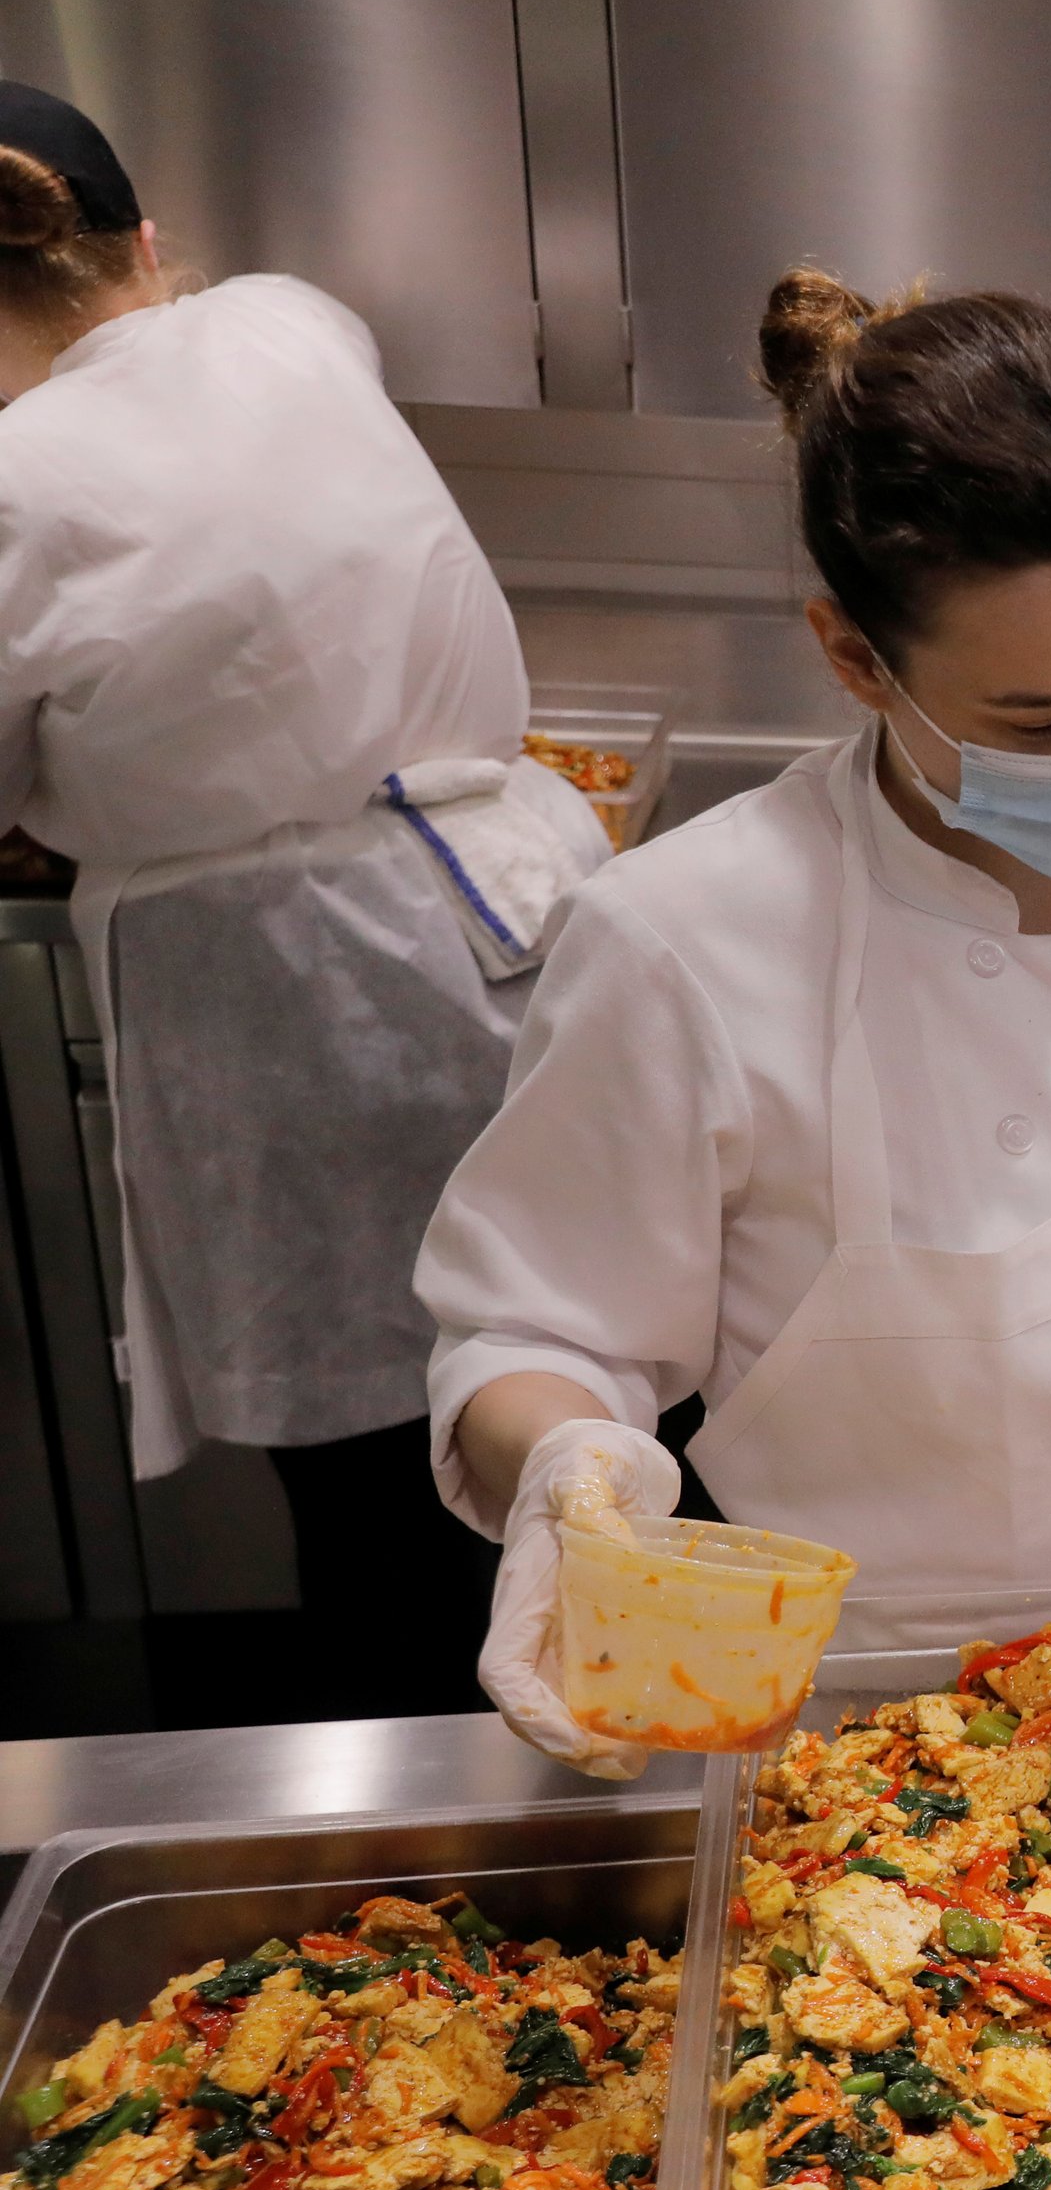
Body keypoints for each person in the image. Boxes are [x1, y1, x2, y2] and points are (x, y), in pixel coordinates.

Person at [419, 274, 1051, 1774]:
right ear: (855, 659)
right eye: (1046, 723)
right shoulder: (683, 942)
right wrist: (573, 1460)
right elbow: (535, 1328)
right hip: (872, 1748)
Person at [0, 82, 612, 1694]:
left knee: (388, 1493)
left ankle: (466, 1867)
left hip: (289, 1006)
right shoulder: (290, 321)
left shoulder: (13, 476)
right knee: (601, 1397)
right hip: (519, 909)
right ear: (146, 238)